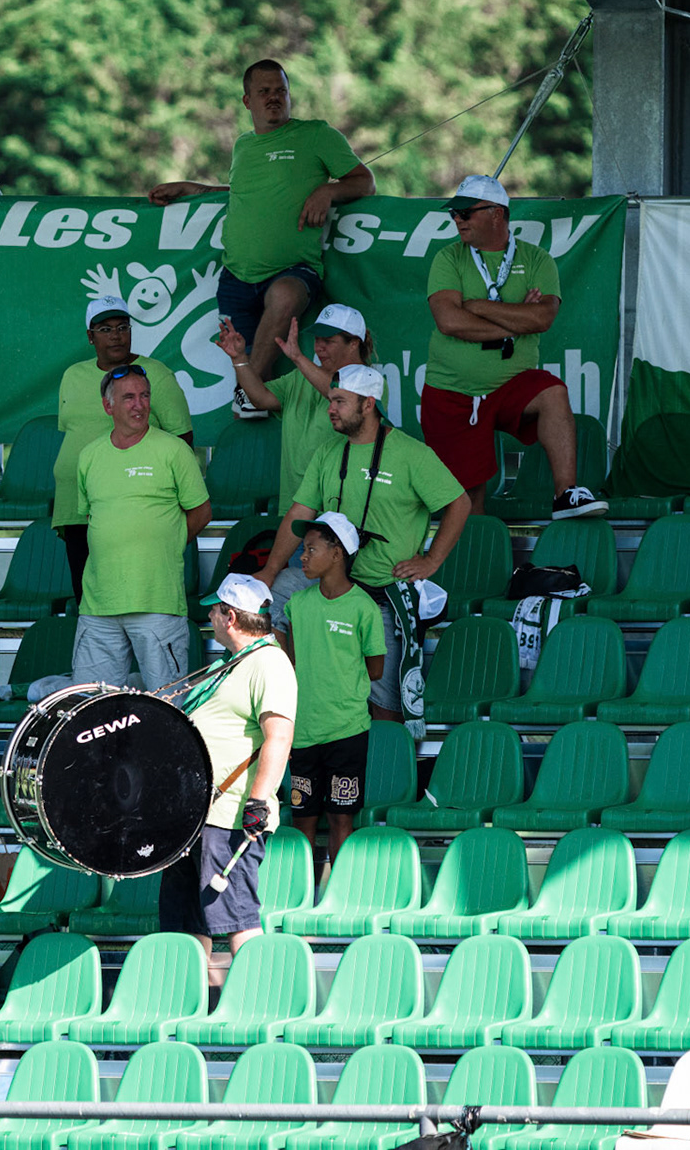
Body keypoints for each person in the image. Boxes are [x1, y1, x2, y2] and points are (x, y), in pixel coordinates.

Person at [252, 363, 469, 737]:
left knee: (386, 704)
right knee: (272, 594)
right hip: (330, 582)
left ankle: (387, 765)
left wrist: (431, 559)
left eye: (339, 401)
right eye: (330, 400)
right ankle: (293, 686)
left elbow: (459, 503)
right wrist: (269, 570)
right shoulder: (327, 452)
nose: (330, 409)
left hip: (381, 592)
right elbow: (300, 512)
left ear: (368, 404)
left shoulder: (409, 453)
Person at [150, 58, 374, 415]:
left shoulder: (316, 134)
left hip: (293, 270)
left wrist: (327, 191)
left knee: (283, 300)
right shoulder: (243, 145)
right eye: (264, 91)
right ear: (247, 101)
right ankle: (253, 399)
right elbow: (245, 194)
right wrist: (193, 189)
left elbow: (364, 181)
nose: (274, 97)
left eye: (280, 91)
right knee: (259, 381)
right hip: (237, 275)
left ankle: (246, 391)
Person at [423, 173, 606, 520]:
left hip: (509, 384)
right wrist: (516, 319)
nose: (457, 219)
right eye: (454, 213)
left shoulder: (537, 259)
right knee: (468, 506)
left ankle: (566, 494)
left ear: (497, 213)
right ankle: (474, 555)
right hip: (452, 391)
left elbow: (543, 318)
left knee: (553, 392)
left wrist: (477, 306)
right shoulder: (448, 258)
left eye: (466, 212)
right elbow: (449, 322)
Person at [161, 573, 295, 981]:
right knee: (186, 921)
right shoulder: (231, 663)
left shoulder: (269, 663)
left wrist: (258, 802)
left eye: (214, 611)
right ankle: (188, 1001)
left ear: (231, 617)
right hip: (194, 815)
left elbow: (279, 736)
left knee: (238, 917)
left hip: (231, 815)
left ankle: (261, 1004)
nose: (209, 617)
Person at [220, 302, 375, 615]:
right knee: (298, 610)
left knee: (335, 613)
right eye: (317, 339)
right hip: (299, 517)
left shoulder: (367, 381)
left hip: (343, 524)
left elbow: (338, 391)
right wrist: (239, 359)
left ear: (354, 344)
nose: (319, 346)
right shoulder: (300, 376)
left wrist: (298, 358)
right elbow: (260, 398)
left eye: (329, 340)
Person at [73, 363, 213, 691]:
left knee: (166, 704)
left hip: (157, 601)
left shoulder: (174, 450)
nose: (139, 404)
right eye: (129, 398)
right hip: (98, 605)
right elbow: (91, 519)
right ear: (108, 406)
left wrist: (167, 540)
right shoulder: (89, 456)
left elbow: (202, 512)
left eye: (145, 396)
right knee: (91, 706)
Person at [52, 295, 194, 601]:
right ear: (90, 337)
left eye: (122, 327)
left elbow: (183, 440)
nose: (116, 335)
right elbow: (73, 432)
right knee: (89, 598)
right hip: (75, 507)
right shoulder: (72, 375)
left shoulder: (156, 374)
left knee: (134, 599)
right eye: (105, 329)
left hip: (132, 507)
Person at [282, 511, 385, 870]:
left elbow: (376, 668)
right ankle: (302, 894)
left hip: (346, 731)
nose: (303, 557)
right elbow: (292, 661)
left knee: (342, 818)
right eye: (303, 549)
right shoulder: (297, 604)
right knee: (303, 819)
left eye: (311, 549)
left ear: (337, 553)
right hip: (303, 732)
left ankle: (340, 893)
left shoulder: (363, 607)